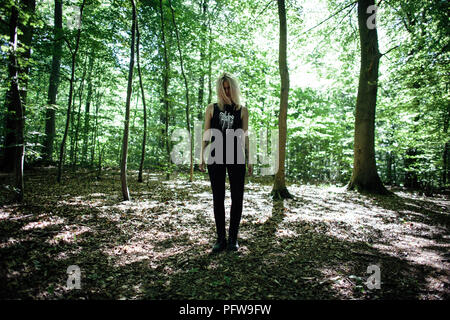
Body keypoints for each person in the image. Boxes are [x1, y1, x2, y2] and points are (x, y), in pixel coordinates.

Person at [199, 72, 253, 253]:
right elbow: (206, 134)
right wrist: (201, 156)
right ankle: (220, 238)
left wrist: (250, 158)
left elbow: (245, 136)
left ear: (234, 88)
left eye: (229, 88)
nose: (227, 91)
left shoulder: (242, 110)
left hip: (237, 156)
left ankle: (233, 238)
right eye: (224, 88)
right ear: (219, 89)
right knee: (218, 197)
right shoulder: (211, 108)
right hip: (215, 156)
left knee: (237, 197)